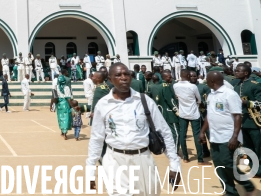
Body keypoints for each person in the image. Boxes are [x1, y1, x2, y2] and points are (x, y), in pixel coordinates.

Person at [86, 63, 181, 194]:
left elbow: (164, 132)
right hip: (114, 161)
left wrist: (174, 164)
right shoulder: (103, 105)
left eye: (126, 74)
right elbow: (96, 138)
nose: (123, 77)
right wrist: (90, 170)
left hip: (143, 159)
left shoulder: (144, 101)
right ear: (110, 79)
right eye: (118, 75)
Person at [199, 71, 256, 196]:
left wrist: (235, 136)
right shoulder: (211, 94)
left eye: (207, 80)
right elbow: (209, 114)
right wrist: (202, 131)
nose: (205, 82)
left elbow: (237, 116)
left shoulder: (230, 94)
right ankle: (230, 192)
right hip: (214, 137)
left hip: (228, 137)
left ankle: (248, 185)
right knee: (219, 166)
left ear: (212, 81)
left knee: (228, 164)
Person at [232, 63, 261, 177]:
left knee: (258, 146)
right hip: (241, 122)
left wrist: (246, 102)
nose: (236, 72)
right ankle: (254, 168)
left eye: (238, 71)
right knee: (247, 147)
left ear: (246, 73)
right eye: (236, 70)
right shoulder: (235, 85)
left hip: (253, 121)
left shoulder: (255, 85)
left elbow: (260, 102)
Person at [173, 69, 205, 164]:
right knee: (197, 135)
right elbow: (199, 100)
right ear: (188, 76)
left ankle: (186, 157)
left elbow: (177, 96)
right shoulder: (193, 86)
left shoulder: (175, 85)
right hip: (194, 113)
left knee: (182, 135)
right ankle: (200, 159)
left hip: (183, 113)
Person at [54, 74, 72, 139]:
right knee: (66, 118)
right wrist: (71, 106)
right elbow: (69, 98)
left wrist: (52, 105)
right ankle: (65, 132)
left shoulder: (56, 87)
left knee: (60, 118)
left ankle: (62, 131)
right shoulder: (66, 88)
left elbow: (54, 97)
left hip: (59, 104)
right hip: (65, 104)